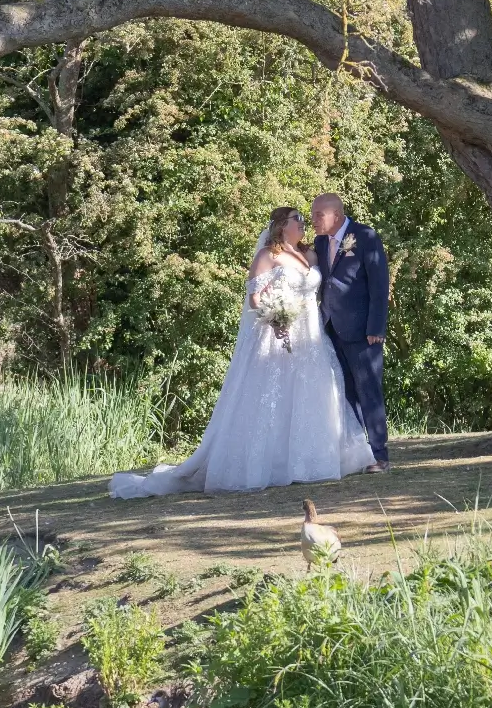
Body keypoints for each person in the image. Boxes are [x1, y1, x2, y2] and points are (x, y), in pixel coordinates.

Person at [108, 205, 374, 497]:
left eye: (302, 219)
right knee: (273, 398)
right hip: (277, 337)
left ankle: (309, 461)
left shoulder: (309, 254)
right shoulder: (267, 256)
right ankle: (270, 464)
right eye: (296, 219)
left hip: (310, 339)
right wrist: (275, 316)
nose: (302, 223)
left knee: (312, 396)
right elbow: (254, 300)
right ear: (282, 226)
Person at [310, 192, 390, 471]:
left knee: (369, 391)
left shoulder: (365, 236)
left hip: (363, 329)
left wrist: (376, 327)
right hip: (331, 328)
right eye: (312, 215)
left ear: (338, 215)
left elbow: (380, 285)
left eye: (319, 215)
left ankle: (381, 455)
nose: (314, 220)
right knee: (345, 393)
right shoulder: (320, 242)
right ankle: (359, 454)